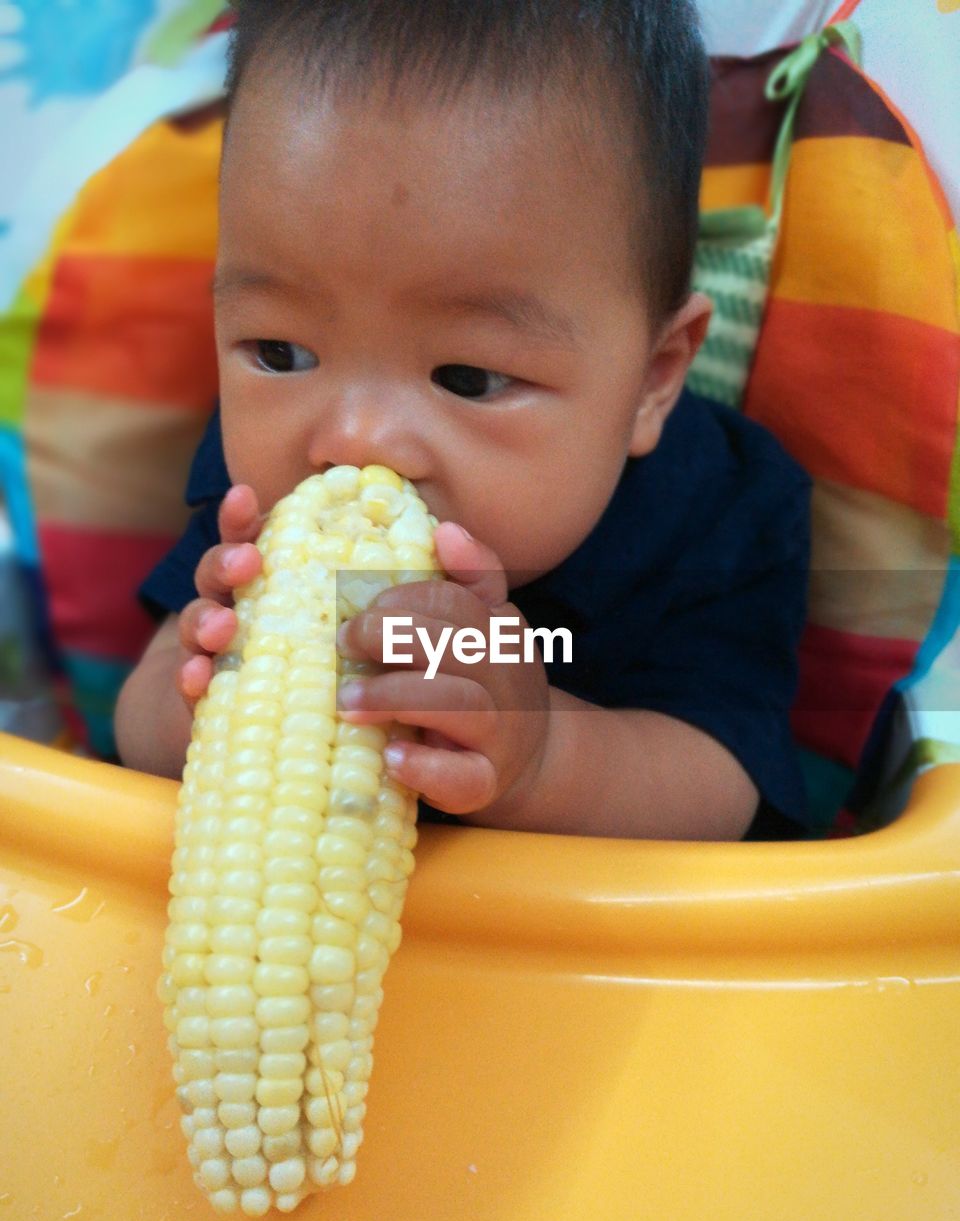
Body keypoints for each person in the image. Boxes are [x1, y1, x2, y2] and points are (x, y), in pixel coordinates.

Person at [115, 0, 811, 841]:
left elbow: (722, 786)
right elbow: (137, 719)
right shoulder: (252, 510)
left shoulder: (721, 512)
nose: (353, 439)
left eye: (467, 377)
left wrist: (542, 758)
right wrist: (201, 699)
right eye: (280, 353)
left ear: (652, 381)